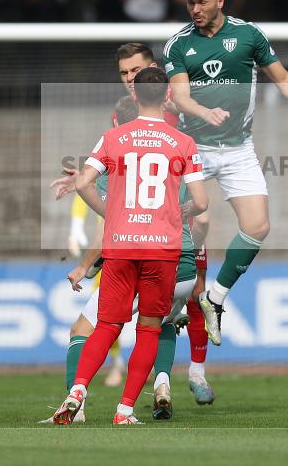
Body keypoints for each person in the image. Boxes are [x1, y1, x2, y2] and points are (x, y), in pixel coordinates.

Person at [165, 0, 288, 345]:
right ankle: (174, 295)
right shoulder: (178, 44)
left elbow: (283, 79)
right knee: (195, 223)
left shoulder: (249, 36)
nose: (195, 10)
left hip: (237, 148)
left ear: (220, 1)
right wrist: (205, 110)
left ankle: (214, 297)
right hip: (192, 146)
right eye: (190, 4)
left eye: (202, 2)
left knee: (258, 226)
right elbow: (181, 97)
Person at [51, 42, 216, 407]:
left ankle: (76, 396)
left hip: (134, 243)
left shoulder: (138, 125)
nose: (129, 80)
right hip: (169, 246)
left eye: (135, 73)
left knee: (103, 325)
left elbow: (99, 183)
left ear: (149, 74)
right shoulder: (178, 132)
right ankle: (145, 397)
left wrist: (101, 195)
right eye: (123, 73)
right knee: (159, 324)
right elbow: (200, 203)